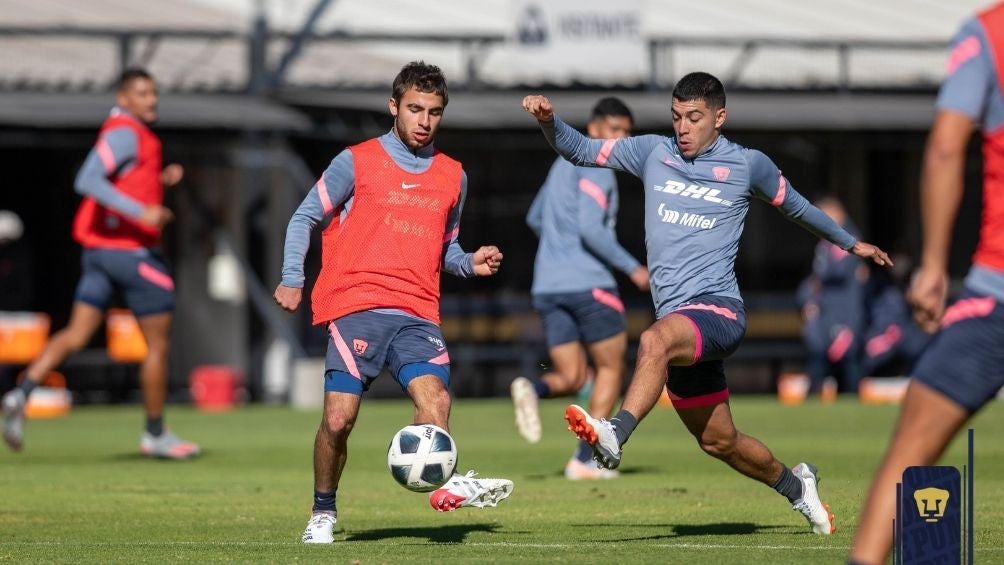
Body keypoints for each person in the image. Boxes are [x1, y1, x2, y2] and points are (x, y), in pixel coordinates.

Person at [522, 72, 892, 535]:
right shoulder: (652, 152)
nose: (683, 127)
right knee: (720, 442)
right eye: (676, 117)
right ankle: (799, 488)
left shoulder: (748, 165)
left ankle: (615, 433)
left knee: (654, 339)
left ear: (719, 118)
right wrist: (550, 122)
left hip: (718, 310)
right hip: (681, 326)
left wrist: (850, 243)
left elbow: (797, 207)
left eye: (694, 118)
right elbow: (580, 150)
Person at [274, 61, 514, 545]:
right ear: (394, 107)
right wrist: (291, 278)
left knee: (437, 402)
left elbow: (445, 248)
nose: (424, 120)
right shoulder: (356, 161)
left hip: (417, 312)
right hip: (356, 303)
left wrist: (471, 263)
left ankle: (442, 486)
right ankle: (323, 511)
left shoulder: (453, 177)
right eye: (415, 109)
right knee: (338, 421)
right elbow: (303, 218)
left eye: (434, 112)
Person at [850, 4, 1004, 562]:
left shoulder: (988, 32)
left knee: (916, 441)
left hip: (998, 293)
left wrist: (935, 264)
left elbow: (944, 148)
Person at [1, 69, 198, 459]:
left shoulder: (135, 135)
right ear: (123, 99)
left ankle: (19, 395)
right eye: (142, 93)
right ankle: (155, 433)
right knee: (157, 344)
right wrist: (140, 211)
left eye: (154, 93)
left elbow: (123, 180)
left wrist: (159, 180)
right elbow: (87, 179)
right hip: (130, 253)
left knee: (76, 334)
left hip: (100, 254)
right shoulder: (123, 132)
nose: (151, 100)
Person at [510, 97, 649, 480]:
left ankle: (532, 390)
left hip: (548, 284)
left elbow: (535, 217)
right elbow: (590, 229)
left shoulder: (559, 165)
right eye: (614, 131)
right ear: (593, 130)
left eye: (625, 132)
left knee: (571, 377)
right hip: (589, 284)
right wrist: (633, 268)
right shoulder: (597, 166)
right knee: (610, 368)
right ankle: (586, 461)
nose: (620, 140)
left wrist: (559, 248)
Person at [797, 196, 869, 395]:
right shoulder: (826, 242)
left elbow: (837, 271)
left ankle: (854, 410)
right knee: (819, 363)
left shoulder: (846, 238)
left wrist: (819, 281)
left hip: (845, 315)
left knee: (849, 366)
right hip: (826, 315)